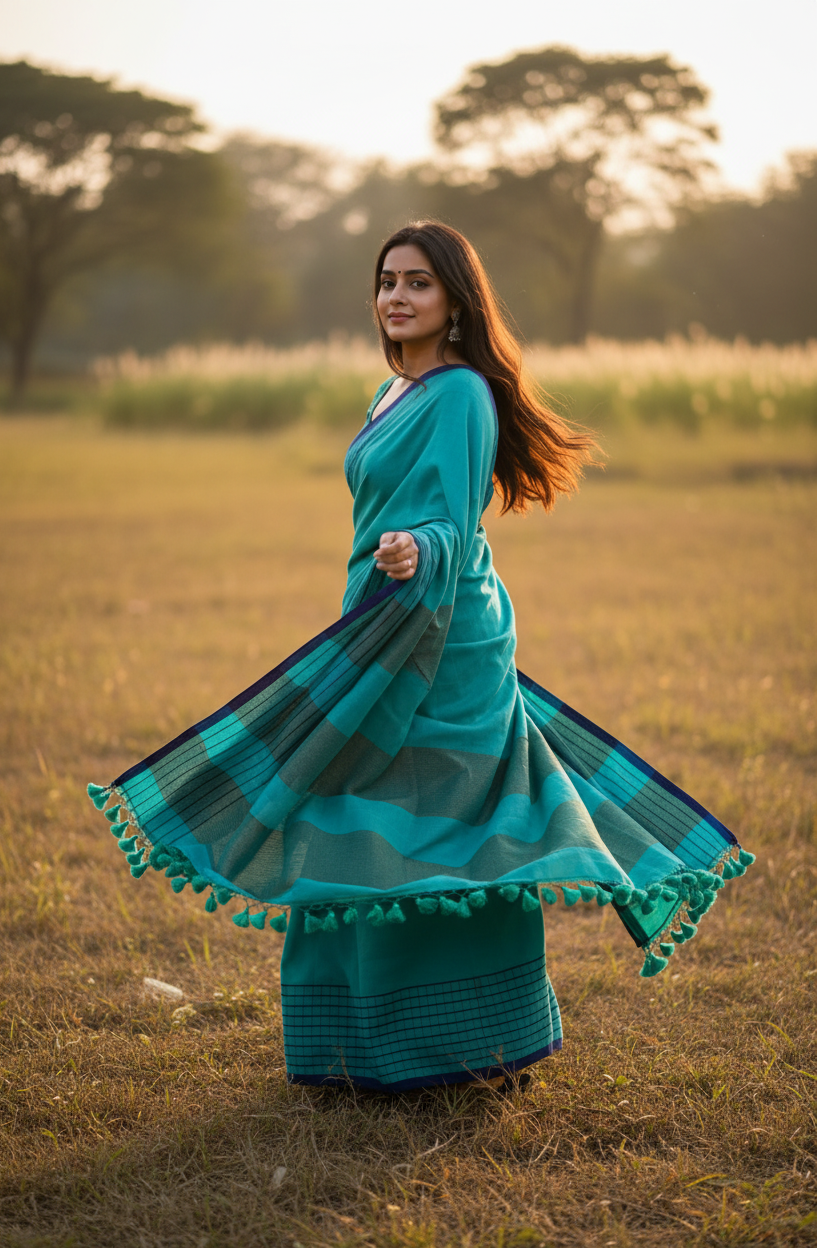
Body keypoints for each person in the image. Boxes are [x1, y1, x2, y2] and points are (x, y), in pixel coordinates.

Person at [88, 221, 753, 1095]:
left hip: (443, 631)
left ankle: (475, 1048)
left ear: (456, 301)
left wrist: (419, 548)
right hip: (377, 618)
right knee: (353, 808)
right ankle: (351, 1047)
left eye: (418, 283)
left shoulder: (462, 394)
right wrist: (390, 566)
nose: (396, 297)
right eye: (387, 281)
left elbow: (453, 512)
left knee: (451, 833)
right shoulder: (391, 392)